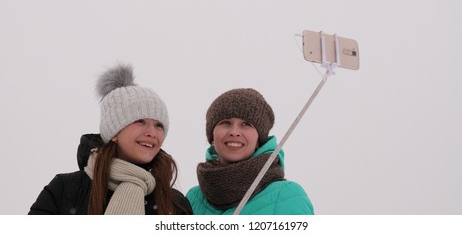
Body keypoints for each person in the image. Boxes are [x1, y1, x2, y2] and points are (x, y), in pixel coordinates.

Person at [29, 63, 192, 215]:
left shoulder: (175, 203)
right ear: (114, 132)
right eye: (140, 121)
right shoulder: (64, 189)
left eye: (159, 125)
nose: (152, 133)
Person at [186, 88, 314, 215]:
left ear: (259, 139)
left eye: (246, 124)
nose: (234, 132)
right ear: (212, 136)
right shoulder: (193, 199)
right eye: (225, 123)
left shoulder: (287, 196)